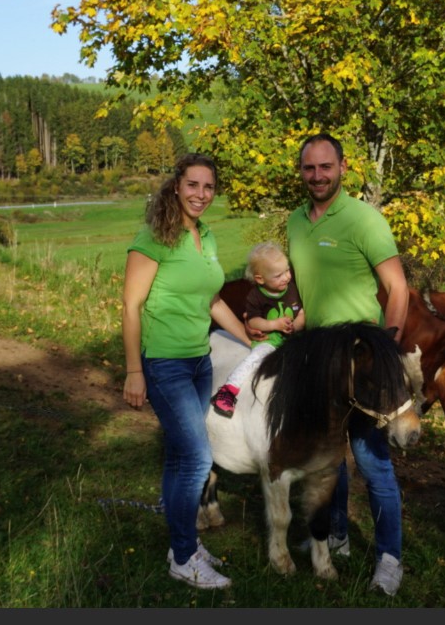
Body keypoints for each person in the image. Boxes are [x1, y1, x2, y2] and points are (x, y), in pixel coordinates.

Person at [285, 132, 410, 596]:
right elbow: (302, 286)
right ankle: (335, 535)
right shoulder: (296, 222)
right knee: (326, 461)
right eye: (309, 168)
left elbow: (398, 289)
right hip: (317, 366)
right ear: (301, 171)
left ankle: (389, 559)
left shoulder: (364, 220)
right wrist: (291, 320)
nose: (317, 176)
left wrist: (387, 351)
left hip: (362, 367)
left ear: (342, 167)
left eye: (325, 167)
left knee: (373, 465)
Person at [121, 153, 252, 591]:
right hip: (163, 363)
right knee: (198, 457)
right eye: (193, 185)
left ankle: (185, 545)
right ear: (176, 185)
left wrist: (251, 343)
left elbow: (213, 300)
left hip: (200, 363)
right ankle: (183, 557)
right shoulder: (153, 237)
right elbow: (131, 306)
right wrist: (134, 370)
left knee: (181, 457)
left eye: (208, 187)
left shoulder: (205, 236)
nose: (200, 194)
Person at [210, 241, 304, 418]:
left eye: (287, 271)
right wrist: (273, 325)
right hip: (270, 341)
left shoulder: (292, 289)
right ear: (260, 278)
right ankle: (228, 390)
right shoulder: (257, 295)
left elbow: (300, 313)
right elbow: (253, 322)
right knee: (254, 360)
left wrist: (298, 322)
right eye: (278, 275)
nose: (286, 277)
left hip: (293, 340)